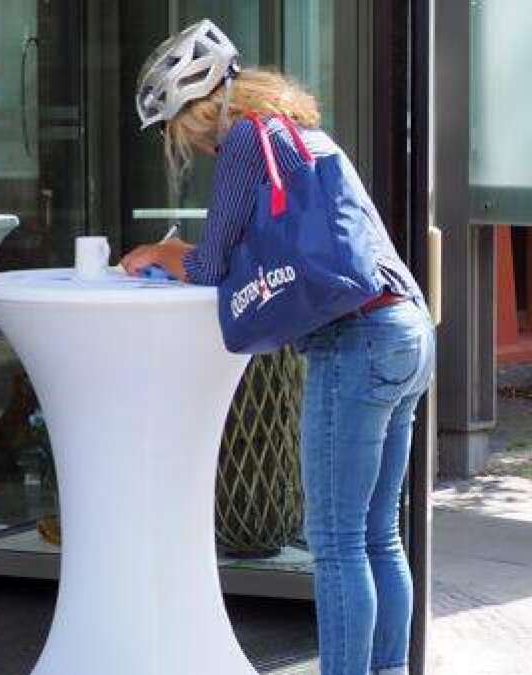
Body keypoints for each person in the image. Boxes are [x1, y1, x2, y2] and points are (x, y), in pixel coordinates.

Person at [119, 20, 435, 675]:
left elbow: (208, 265)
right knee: (380, 533)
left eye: (180, 131)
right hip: (406, 330)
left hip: (356, 345)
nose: (189, 146)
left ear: (195, 113)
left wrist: (163, 252)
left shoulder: (243, 140)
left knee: (338, 540)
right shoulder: (304, 135)